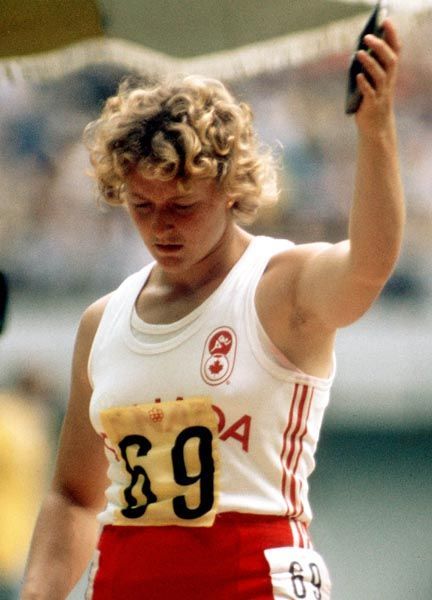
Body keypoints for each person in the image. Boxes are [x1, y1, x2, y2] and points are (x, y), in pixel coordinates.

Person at [21, 18, 404, 600]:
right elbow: (74, 496)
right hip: (126, 584)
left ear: (230, 189)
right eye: (142, 205)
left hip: (254, 581)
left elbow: (370, 264)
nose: (161, 226)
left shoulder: (281, 284)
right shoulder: (101, 322)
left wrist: (375, 131)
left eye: (183, 205)